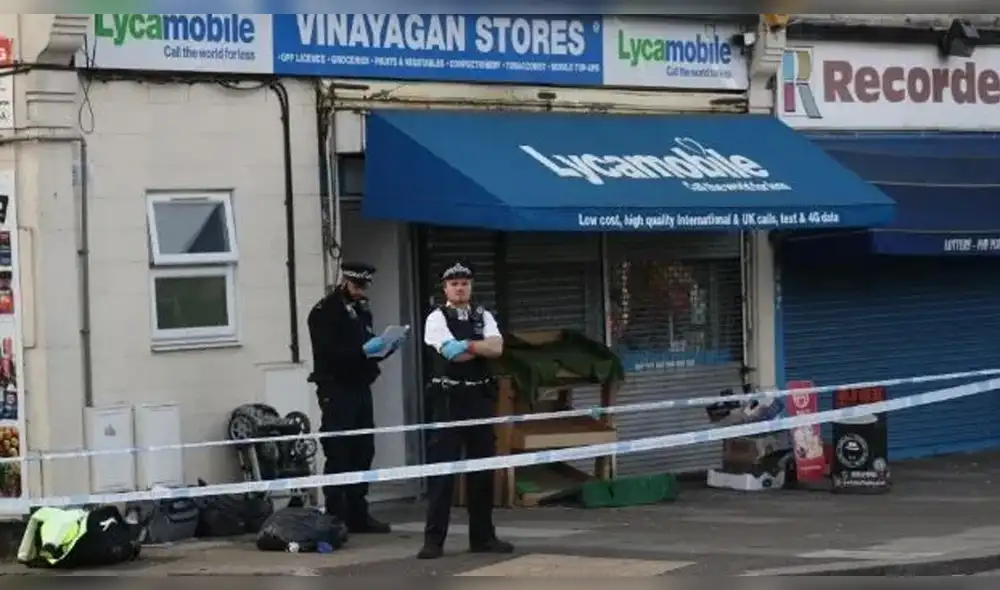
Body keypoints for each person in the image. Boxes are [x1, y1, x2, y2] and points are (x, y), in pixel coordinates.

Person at [417, 262, 514, 560]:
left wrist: (467, 344)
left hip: (479, 400)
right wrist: (477, 346)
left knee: (482, 473)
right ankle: (434, 541)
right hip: (449, 401)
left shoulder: (482, 315)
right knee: (442, 475)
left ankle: (483, 537)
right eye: (454, 284)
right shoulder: (436, 317)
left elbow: (497, 348)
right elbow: (451, 355)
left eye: (465, 283)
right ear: (445, 288)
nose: (460, 288)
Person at [307, 261, 401, 534]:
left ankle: (359, 513)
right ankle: (336, 516)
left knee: (363, 450)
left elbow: (367, 345)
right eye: (358, 286)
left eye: (365, 286)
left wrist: (386, 347)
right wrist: (362, 351)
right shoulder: (325, 312)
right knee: (339, 452)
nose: (362, 291)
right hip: (336, 389)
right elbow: (329, 355)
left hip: (360, 386)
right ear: (345, 282)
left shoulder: (361, 310)